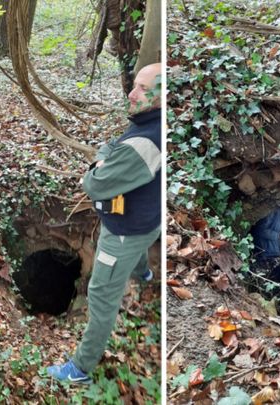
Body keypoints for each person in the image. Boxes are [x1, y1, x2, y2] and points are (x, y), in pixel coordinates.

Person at [46, 63, 162, 383]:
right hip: (148, 222)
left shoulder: (146, 143)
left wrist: (98, 165)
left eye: (141, 88)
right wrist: (106, 156)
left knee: (99, 295)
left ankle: (80, 368)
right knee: (140, 251)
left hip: (125, 231)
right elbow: (114, 147)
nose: (131, 92)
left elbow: (95, 184)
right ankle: (144, 273)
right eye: (134, 85)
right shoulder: (152, 123)